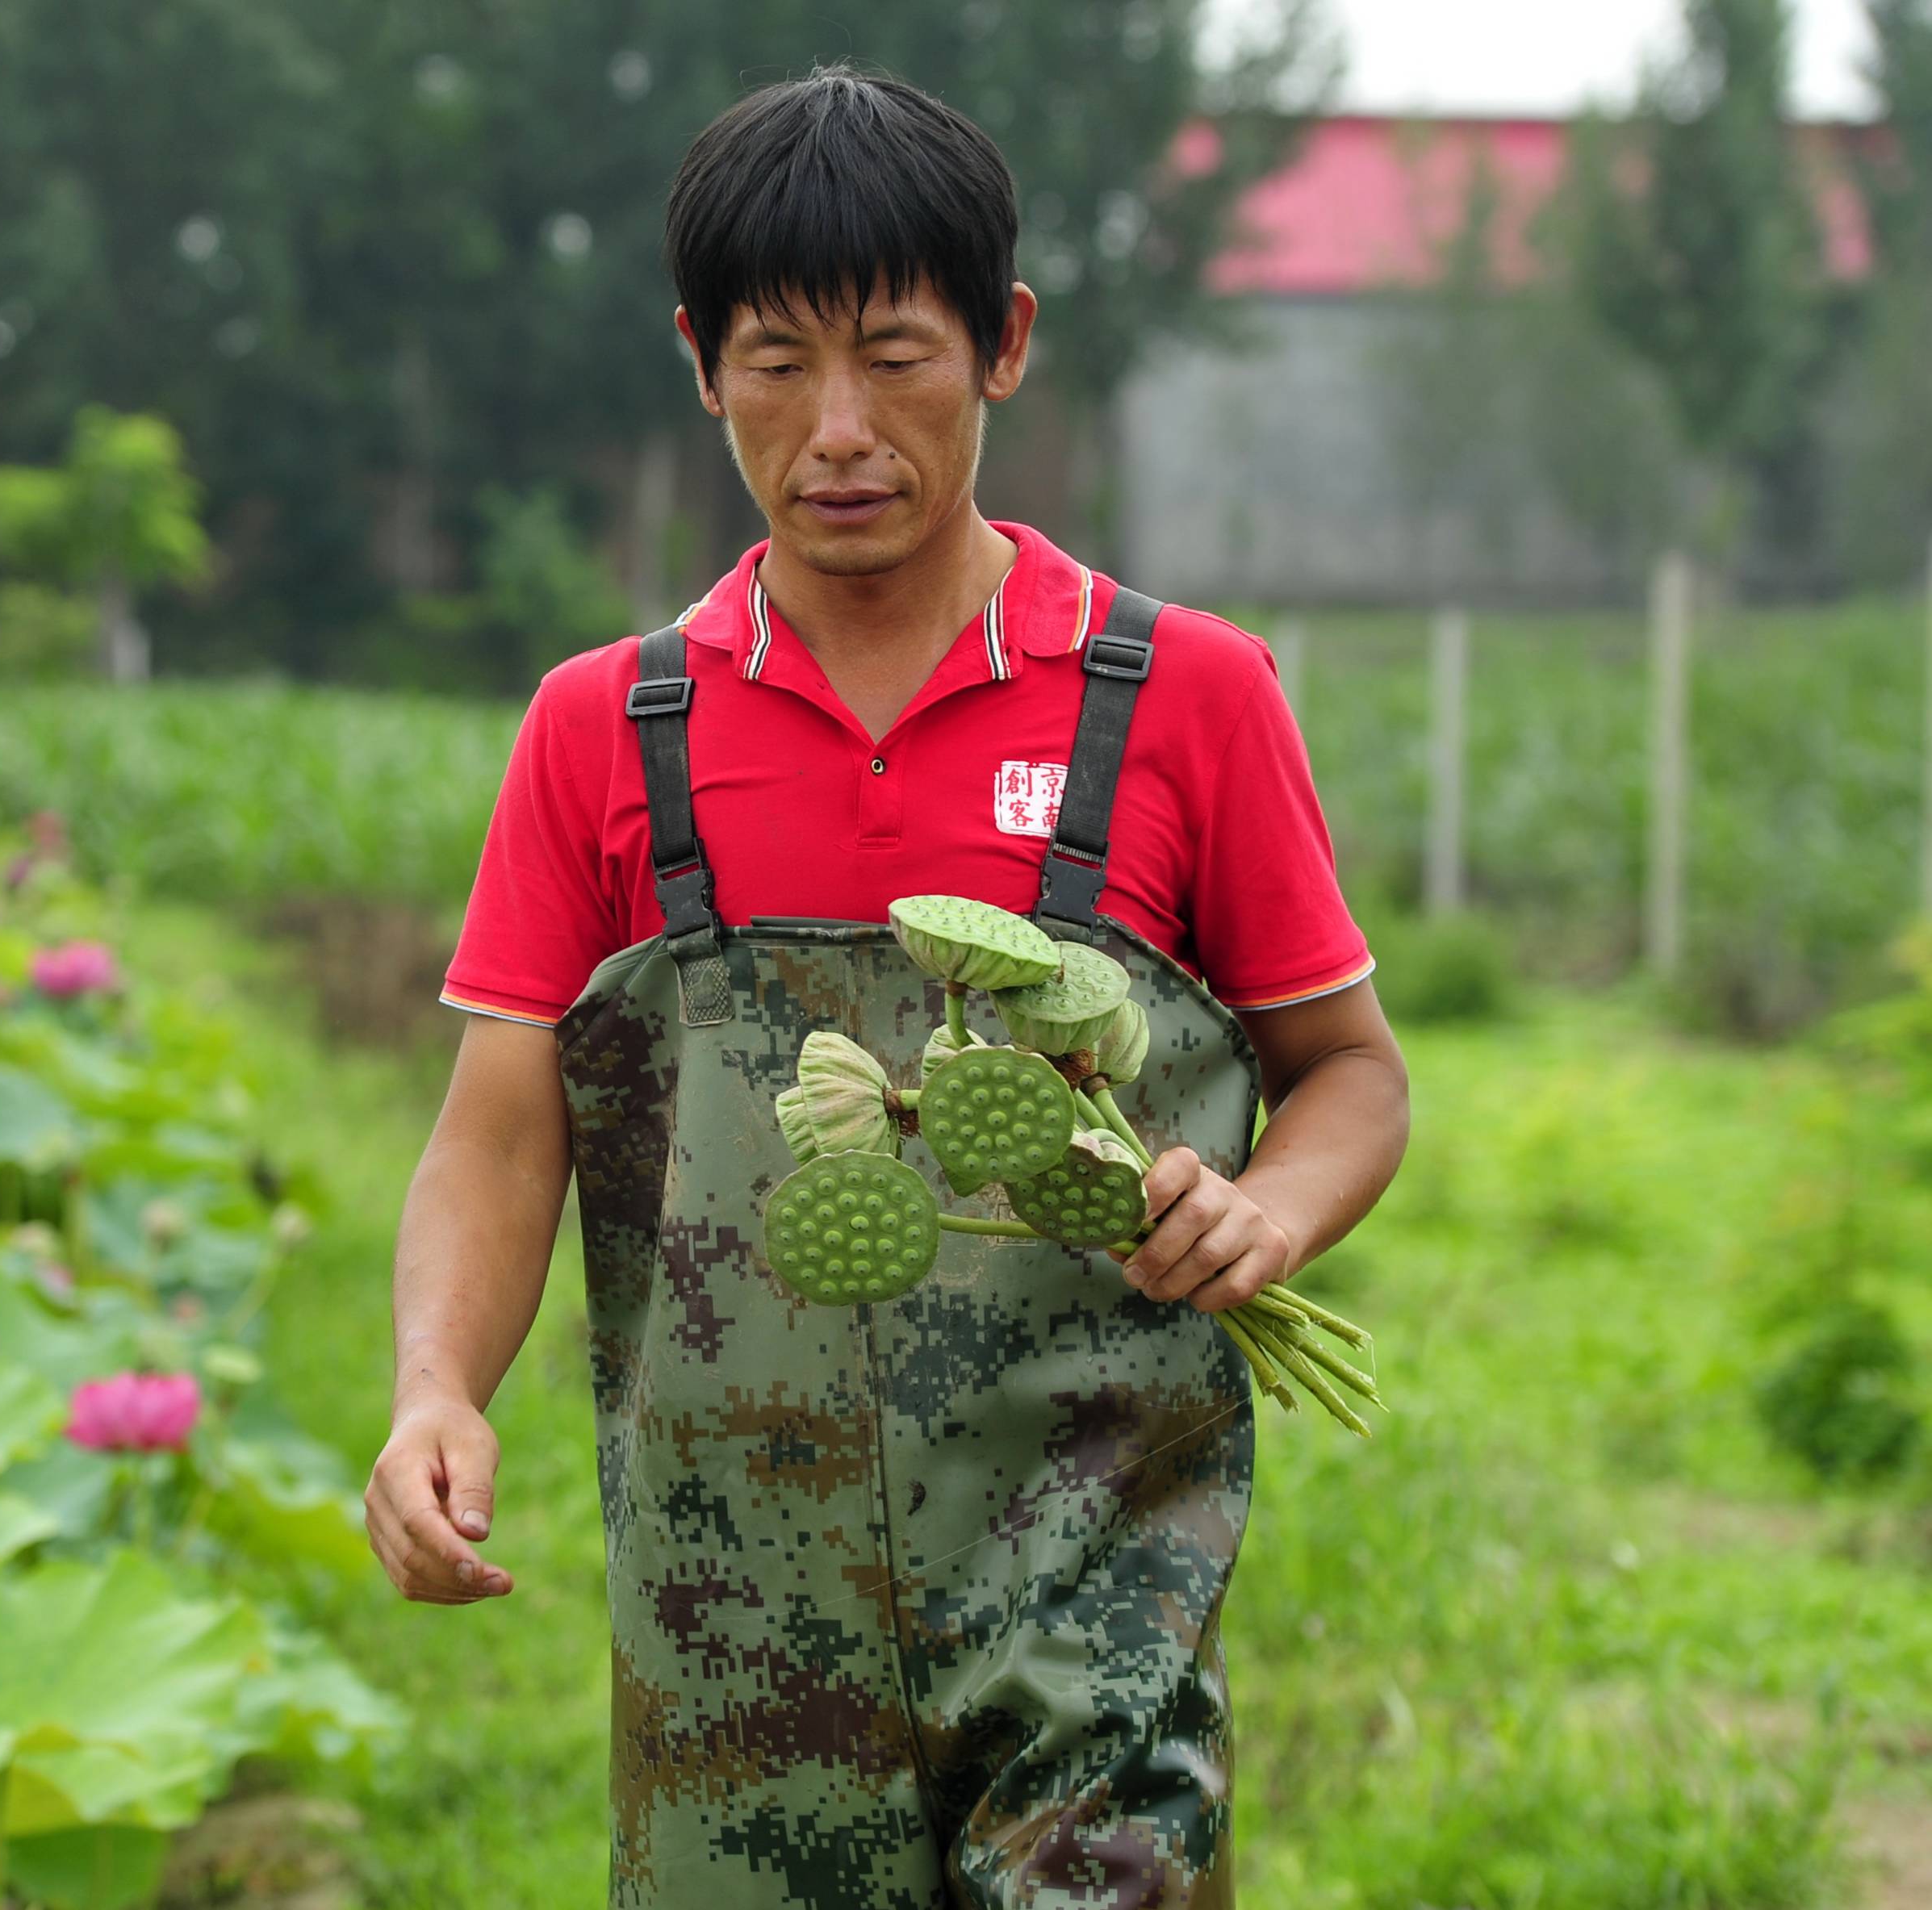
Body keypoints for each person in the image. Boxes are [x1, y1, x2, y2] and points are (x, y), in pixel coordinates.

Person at [361, 61, 1412, 1910]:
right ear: (701, 364)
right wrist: (438, 1382)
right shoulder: (606, 728)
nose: (837, 427)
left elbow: (1350, 1073)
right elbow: (501, 1128)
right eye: (776, 363)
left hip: (1095, 1586)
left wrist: (1267, 1205)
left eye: (893, 354)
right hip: (730, 1632)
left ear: (1002, 344)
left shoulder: (1180, 698)